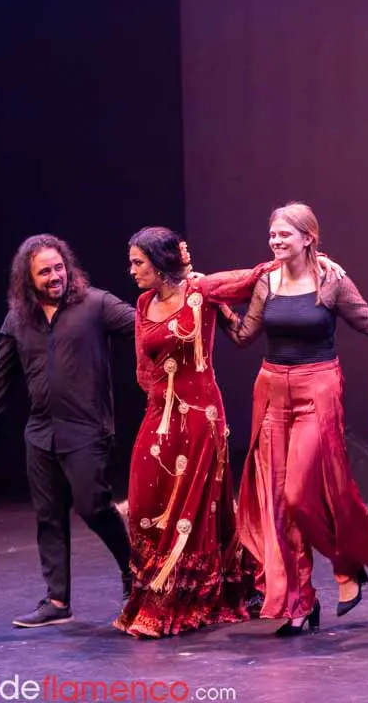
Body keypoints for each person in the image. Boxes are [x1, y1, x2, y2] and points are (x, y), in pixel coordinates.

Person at [220, 202, 368, 636]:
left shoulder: (331, 280)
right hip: (270, 390)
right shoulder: (266, 281)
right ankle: (300, 603)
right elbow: (246, 337)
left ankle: (345, 565)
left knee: (302, 494)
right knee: (279, 504)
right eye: (273, 234)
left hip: (317, 386)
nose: (276, 241)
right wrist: (219, 309)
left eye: (285, 234)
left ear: (308, 238)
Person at [0, 234, 135, 628]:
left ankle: (135, 577)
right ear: (28, 278)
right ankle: (57, 602)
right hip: (41, 433)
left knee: (93, 507)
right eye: (45, 272)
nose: (55, 276)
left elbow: (144, 324)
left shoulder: (95, 304)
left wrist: (183, 301)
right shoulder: (18, 319)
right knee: (48, 516)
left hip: (87, 429)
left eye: (59, 268)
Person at [115, 226, 275, 638]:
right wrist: (160, 407)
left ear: (159, 261)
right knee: (145, 503)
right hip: (159, 416)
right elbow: (142, 367)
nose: (132, 270)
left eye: (138, 262)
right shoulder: (143, 302)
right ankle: (151, 590)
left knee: (190, 512)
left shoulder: (200, 290)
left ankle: (174, 601)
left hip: (201, 418)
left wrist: (303, 263)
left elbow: (253, 277)